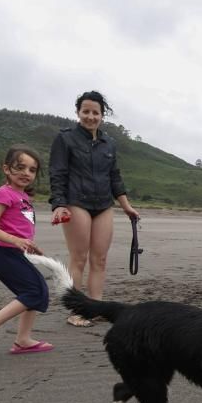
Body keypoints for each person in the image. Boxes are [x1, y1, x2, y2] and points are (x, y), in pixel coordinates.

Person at [49, 90, 140, 327]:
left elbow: (114, 176)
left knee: (99, 260)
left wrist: (126, 206)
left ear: (102, 115)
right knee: (79, 258)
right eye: (85, 111)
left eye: (95, 112)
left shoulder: (109, 143)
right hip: (76, 202)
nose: (90, 116)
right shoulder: (65, 138)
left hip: (103, 205)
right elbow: (57, 173)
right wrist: (58, 204)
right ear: (78, 112)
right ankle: (77, 309)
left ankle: (94, 307)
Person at [0, 145, 54, 358]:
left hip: (16, 253)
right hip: (3, 254)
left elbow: (20, 229)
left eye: (32, 170)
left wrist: (30, 246)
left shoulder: (24, 197)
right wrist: (16, 240)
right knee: (34, 292)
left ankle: (23, 340)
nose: (26, 173)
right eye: (20, 167)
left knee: (37, 291)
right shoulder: (4, 193)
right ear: (6, 168)